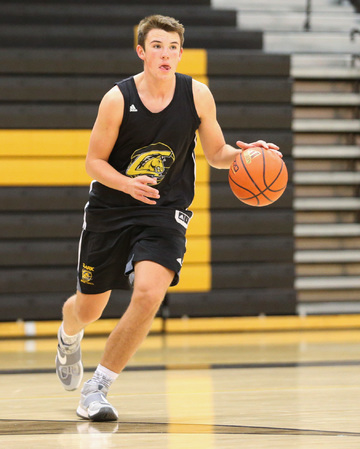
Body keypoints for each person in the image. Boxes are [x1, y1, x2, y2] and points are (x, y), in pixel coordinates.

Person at [55, 15, 282, 421]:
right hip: (112, 208)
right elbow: (93, 162)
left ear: (180, 52)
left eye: (173, 47)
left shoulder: (197, 95)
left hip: (164, 209)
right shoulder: (116, 99)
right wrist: (127, 184)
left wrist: (249, 156)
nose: (166, 54)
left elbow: (216, 155)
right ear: (141, 51)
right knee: (89, 309)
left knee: (148, 294)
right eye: (157, 45)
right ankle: (68, 334)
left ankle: (98, 388)